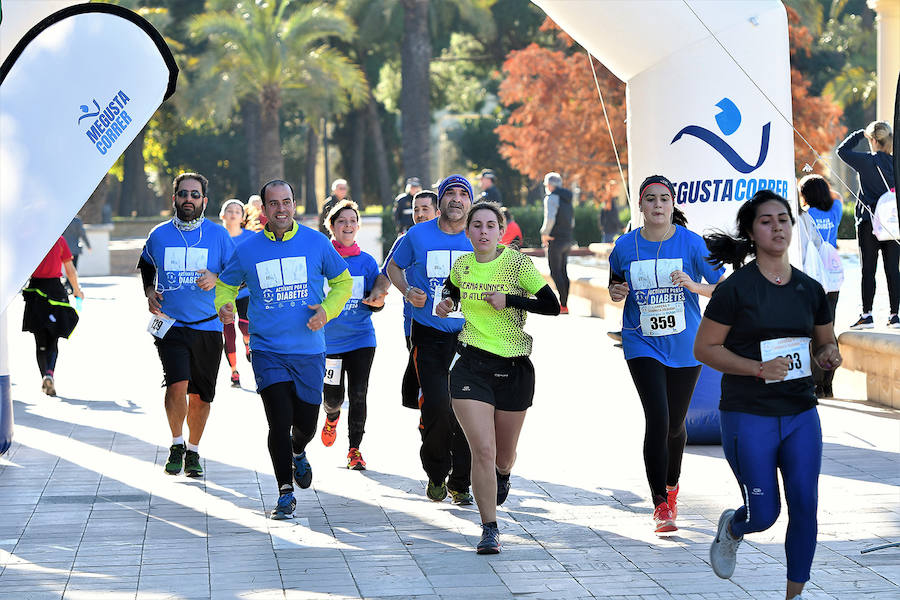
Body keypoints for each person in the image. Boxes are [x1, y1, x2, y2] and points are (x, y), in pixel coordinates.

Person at [694, 190, 841, 600]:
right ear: (752, 232)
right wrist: (757, 368)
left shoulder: (810, 289)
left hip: (799, 412)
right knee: (765, 515)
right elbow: (705, 349)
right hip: (748, 414)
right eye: (767, 221)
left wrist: (829, 356)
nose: (778, 226)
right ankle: (734, 527)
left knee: (805, 507)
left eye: (783, 219)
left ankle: (794, 595)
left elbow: (825, 343)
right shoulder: (735, 290)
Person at [215, 179, 353, 520]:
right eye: (273, 203)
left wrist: (327, 310)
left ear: (294, 204)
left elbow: (343, 282)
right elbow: (226, 283)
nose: (281, 208)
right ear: (263, 209)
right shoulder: (248, 249)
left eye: (287, 202)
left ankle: (297, 450)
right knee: (278, 420)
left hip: (308, 350)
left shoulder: (315, 242)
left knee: (304, 423)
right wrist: (225, 304)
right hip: (267, 349)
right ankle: (284, 492)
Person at [435, 202, 559, 554]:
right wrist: (446, 302)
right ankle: (489, 528)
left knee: (503, 457)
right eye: (477, 225)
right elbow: (451, 290)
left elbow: (552, 305)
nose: (484, 231)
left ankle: (503, 475)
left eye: (491, 225)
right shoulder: (463, 265)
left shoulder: (517, 263)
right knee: (483, 451)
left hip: (514, 368)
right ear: (468, 230)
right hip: (471, 365)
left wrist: (512, 300)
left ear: (500, 231)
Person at [608, 175, 725, 534]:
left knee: (676, 426)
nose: (658, 205)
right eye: (651, 199)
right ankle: (660, 503)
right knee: (657, 419)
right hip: (641, 342)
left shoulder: (691, 244)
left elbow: (721, 287)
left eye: (664, 198)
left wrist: (694, 285)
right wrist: (616, 291)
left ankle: (672, 487)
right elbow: (614, 287)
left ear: (673, 205)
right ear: (640, 206)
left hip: (685, 345)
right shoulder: (625, 246)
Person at [373, 175, 474, 505]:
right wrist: (407, 291)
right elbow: (392, 267)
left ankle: (461, 481)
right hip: (428, 335)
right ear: (440, 201)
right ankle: (436, 472)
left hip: (470, 337)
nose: (456, 199)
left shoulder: (479, 236)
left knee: (468, 411)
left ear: (470, 202)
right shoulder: (417, 235)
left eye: (463, 194)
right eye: (450, 194)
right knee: (437, 406)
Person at [138, 172, 235, 478]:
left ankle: (193, 450)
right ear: (174, 198)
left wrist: (217, 279)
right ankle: (177, 443)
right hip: (171, 325)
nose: (189, 199)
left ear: (204, 201)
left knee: (202, 395)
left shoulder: (219, 236)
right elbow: (146, 264)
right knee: (176, 382)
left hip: (208, 326)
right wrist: (150, 291)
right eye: (184, 194)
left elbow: (238, 275)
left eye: (195, 195)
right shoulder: (159, 234)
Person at [320, 200, 385, 469]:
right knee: (333, 397)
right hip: (328, 341)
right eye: (342, 221)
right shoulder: (323, 258)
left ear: (358, 226)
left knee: (359, 394)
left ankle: (354, 450)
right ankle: (331, 416)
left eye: (352, 221)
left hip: (361, 339)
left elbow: (377, 300)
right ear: (332, 227)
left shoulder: (367, 262)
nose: (348, 225)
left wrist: (377, 301)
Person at [837, 121, 898, 329]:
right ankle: (895, 315)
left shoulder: (866, 161)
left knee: (868, 270)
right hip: (893, 224)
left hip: (868, 222)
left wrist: (859, 134)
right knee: (893, 270)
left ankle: (867, 314)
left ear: (872, 140)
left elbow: (842, 151)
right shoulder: (894, 163)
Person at [798, 175, 843, 398]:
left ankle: (817, 381)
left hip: (815, 277)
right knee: (830, 328)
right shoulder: (835, 209)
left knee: (815, 330)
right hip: (833, 275)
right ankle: (829, 383)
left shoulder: (805, 216)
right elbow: (840, 196)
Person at [22, 237, 83, 396]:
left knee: (40, 339)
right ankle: (50, 373)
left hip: (35, 291)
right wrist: (77, 290)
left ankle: (44, 375)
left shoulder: (30, 240)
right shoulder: (59, 239)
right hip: (55, 291)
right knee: (53, 337)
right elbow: (70, 270)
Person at [220, 199, 254, 387]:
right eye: (229, 210)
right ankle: (234, 371)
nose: (233, 213)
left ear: (242, 217)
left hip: (245, 291)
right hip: (223, 292)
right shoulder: (217, 237)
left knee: (244, 326)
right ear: (222, 215)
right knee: (228, 332)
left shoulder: (250, 237)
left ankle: (248, 343)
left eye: (237, 211)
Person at [540, 172, 575, 314]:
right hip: (567, 238)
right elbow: (572, 220)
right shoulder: (567, 198)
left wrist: (544, 233)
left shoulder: (551, 197)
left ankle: (563, 304)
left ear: (549, 185)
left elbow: (550, 218)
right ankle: (565, 304)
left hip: (555, 239)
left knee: (555, 272)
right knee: (563, 271)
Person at [62, 215, 91, 294]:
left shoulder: (63, 220)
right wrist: (88, 245)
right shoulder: (77, 221)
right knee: (73, 268)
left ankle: (68, 283)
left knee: (66, 268)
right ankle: (71, 285)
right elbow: (83, 234)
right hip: (74, 249)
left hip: (63, 248)